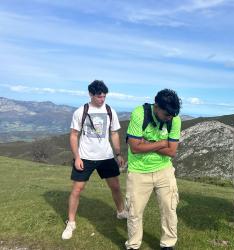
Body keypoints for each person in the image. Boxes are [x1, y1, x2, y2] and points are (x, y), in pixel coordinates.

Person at [62, 80, 127, 240]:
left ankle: (121, 212)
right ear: (91, 94)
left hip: (106, 156)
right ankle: (71, 222)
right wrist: (77, 157)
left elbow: (114, 133)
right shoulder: (81, 111)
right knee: (77, 190)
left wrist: (118, 154)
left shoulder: (110, 111)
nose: (102, 99)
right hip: (85, 157)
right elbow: (73, 135)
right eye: (99, 96)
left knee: (116, 187)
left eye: (104, 96)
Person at [125, 89, 182, 250]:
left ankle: (168, 244)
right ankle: (133, 245)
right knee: (134, 212)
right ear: (156, 106)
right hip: (138, 171)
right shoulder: (139, 114)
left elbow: (171, 152)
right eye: (166, 115)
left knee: (169, 209)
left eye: (172, 115)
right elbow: (135, 148)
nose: (170, 118)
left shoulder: (174, 119)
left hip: (164, 170)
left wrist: (147, 142)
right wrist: (162, 143)